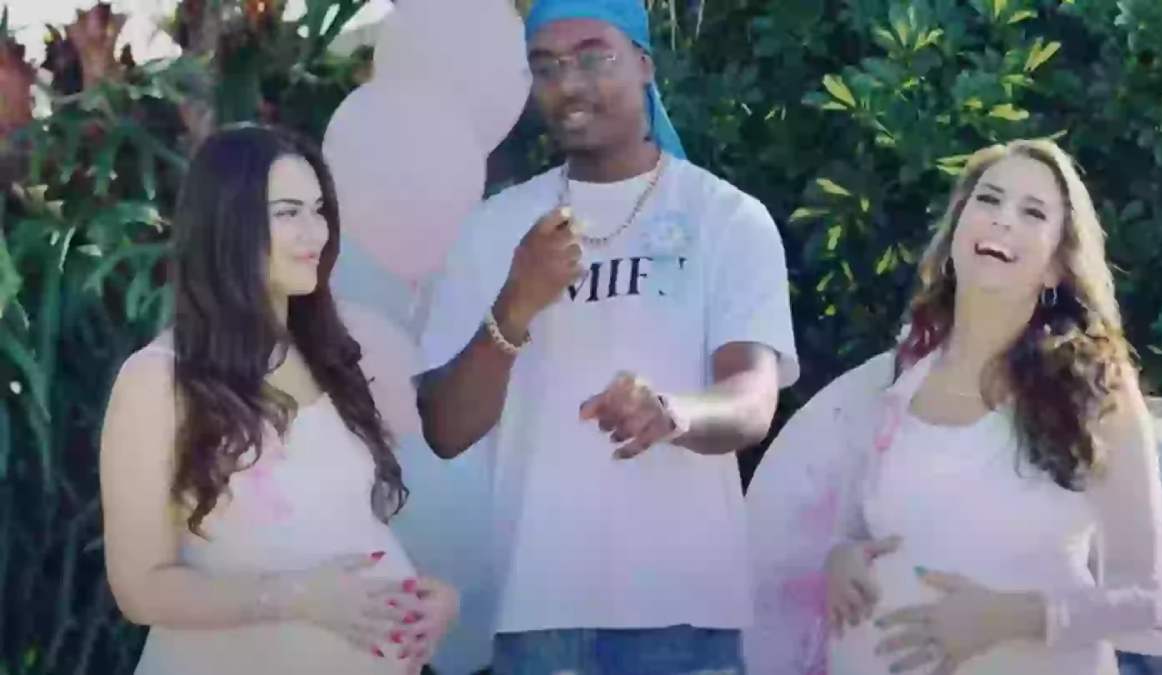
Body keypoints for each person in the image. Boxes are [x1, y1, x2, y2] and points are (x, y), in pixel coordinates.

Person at [415, 0, 799, 672]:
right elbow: (446, 427)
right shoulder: (493, 228)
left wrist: (672, 412)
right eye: (546, 66)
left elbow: (751, 401)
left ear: (645, 64)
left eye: (594, 56)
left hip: (686, 615)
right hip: (538, 616)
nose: (569, 82)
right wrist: (517, 302)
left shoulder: (727, 218)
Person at [745, 139, 1162, 674]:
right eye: (988, 199)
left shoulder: (1096, 390)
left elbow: (1142, 596)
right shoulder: (891, 380)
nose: (1003, 219)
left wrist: (1006, 619)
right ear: (956, 234)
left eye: (1033, 212)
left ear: (1056, 267)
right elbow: (850, 528)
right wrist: (840, 561)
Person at [100, 125, 458, 675]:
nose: (315, 232)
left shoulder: (324, 356)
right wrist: (297, 598)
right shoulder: (158, 379)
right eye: (288, 212)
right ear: (227, 225)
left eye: (319, 210)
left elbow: (346, 527)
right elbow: (140, 588)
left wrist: (427, 602)